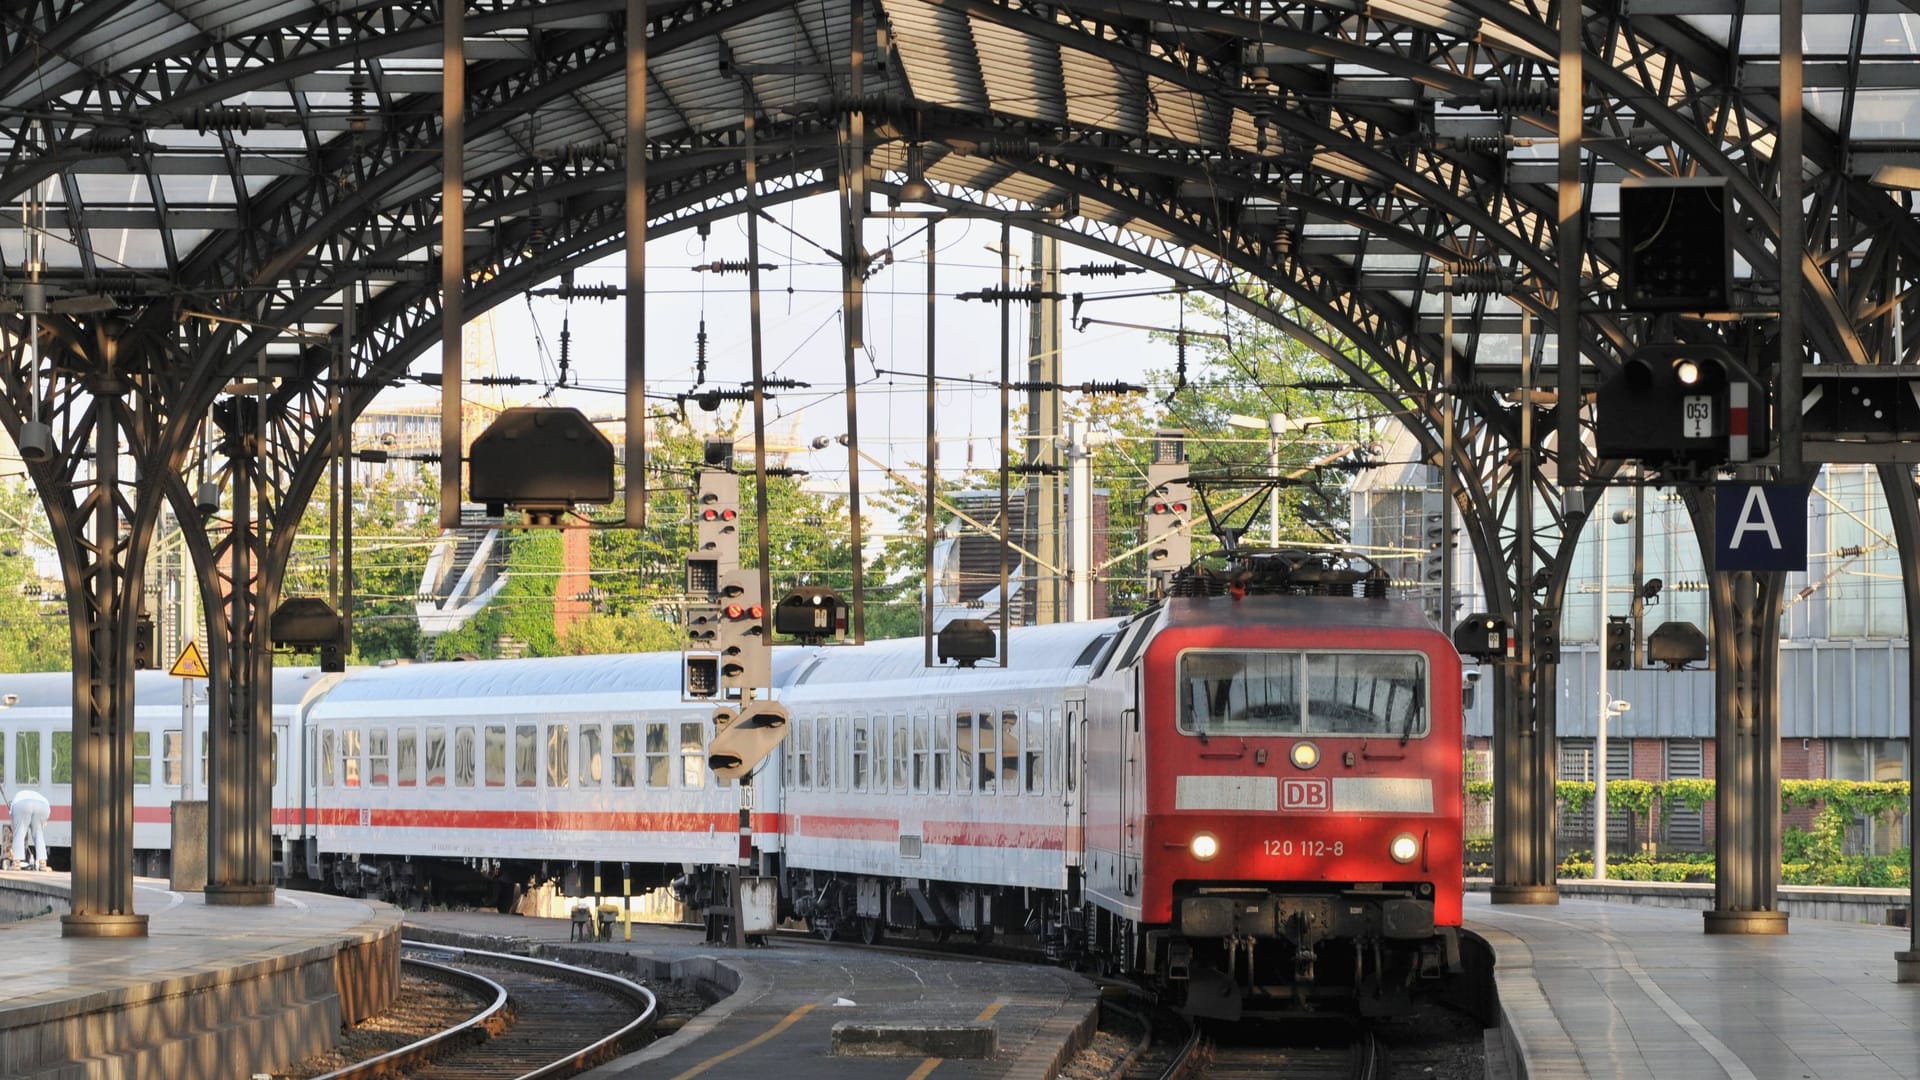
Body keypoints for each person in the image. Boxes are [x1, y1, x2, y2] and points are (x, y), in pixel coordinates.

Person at [9, 788, 50, 871]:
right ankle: (43, 864)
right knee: (39, 834)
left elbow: (14, 827)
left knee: (19, 833)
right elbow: (45, 823)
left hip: (21, 804)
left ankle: (16, 863)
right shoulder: (39, 796)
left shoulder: (15, 803)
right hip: (43, 805)